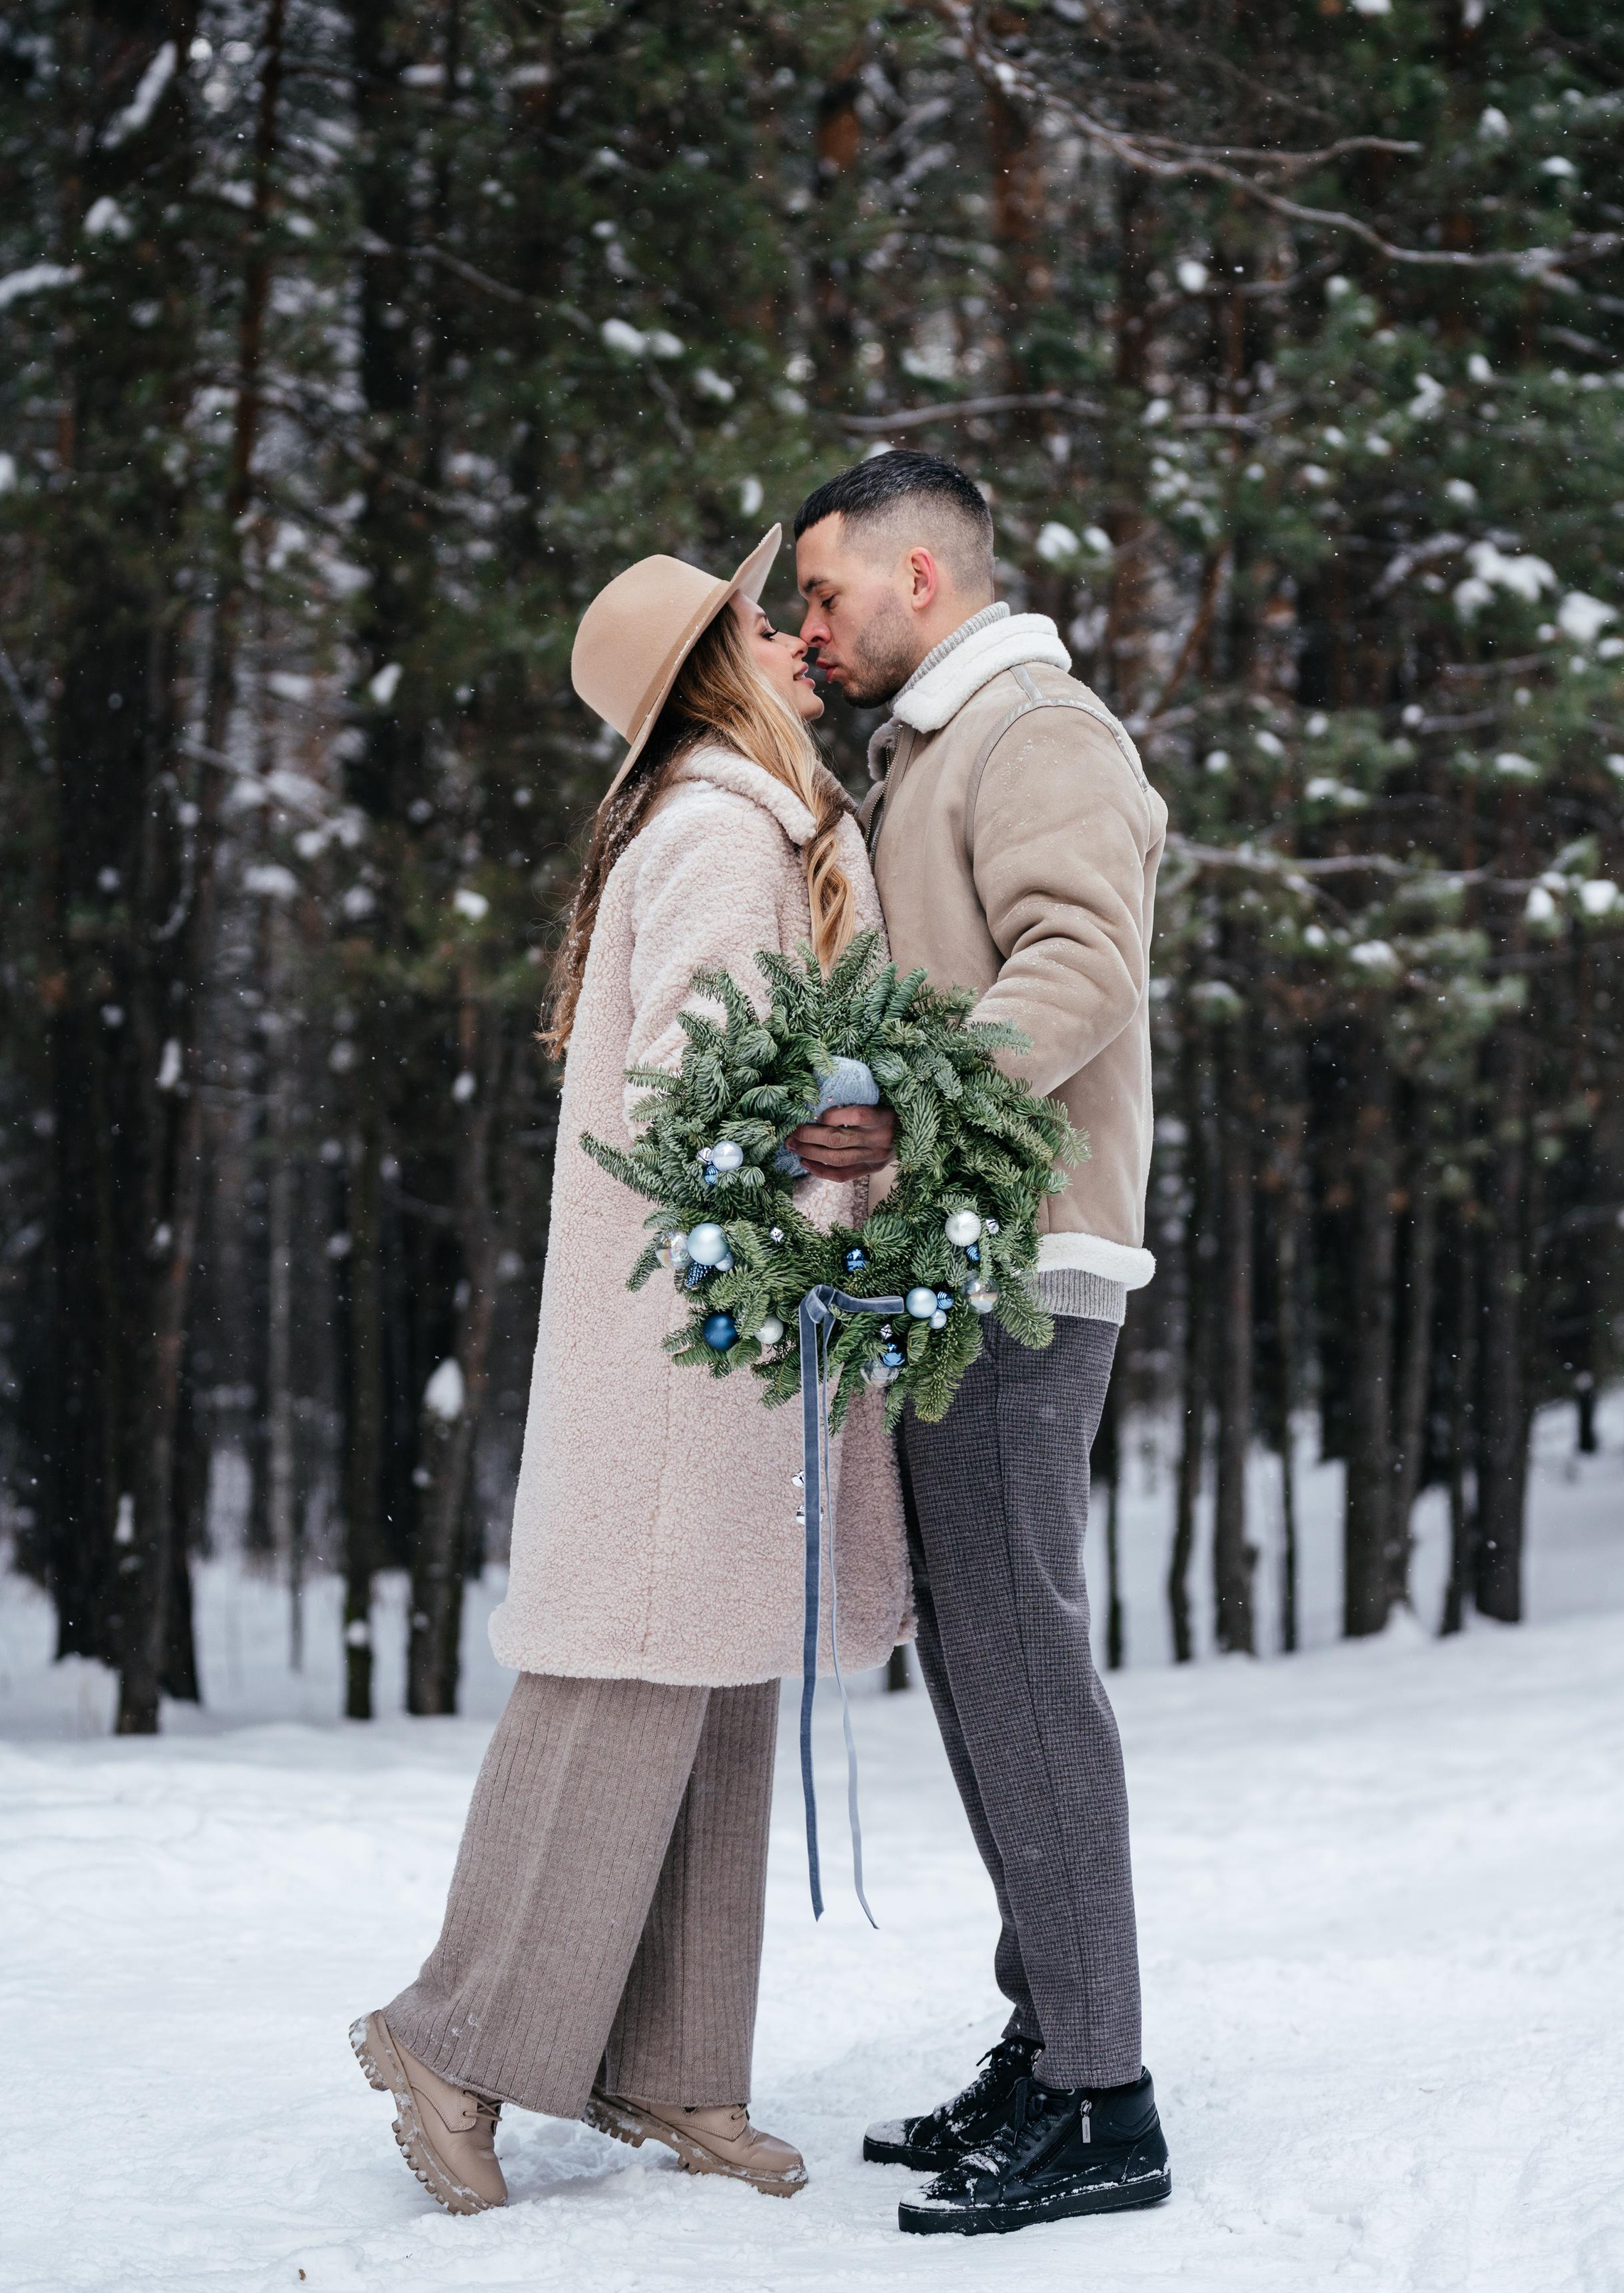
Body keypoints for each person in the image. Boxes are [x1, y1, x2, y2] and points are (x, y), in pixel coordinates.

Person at [350, 525, 912, 2217]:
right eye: (757, 617)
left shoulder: (725, 813)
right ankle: (447, 2033)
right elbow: (701, 1100)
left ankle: (672, 2062)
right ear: (711, 665)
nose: (789, 633)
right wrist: (845, 1165)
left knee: (719, 1676)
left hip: (717, 1342)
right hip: (699, 1342)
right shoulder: (726, 827)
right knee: (625, 1681)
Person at [789, 451, 1173, 2240]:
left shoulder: (1033, 724)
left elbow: (1082, 954)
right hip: (964, 1247)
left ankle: (1107, 2095)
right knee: (979, 1653)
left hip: (1023, 1250)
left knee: (1017, 1647)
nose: (811, 623)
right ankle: (1049, 2037)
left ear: (919, 571)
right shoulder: (940, 742)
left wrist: (905, 1104)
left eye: (824, 592)